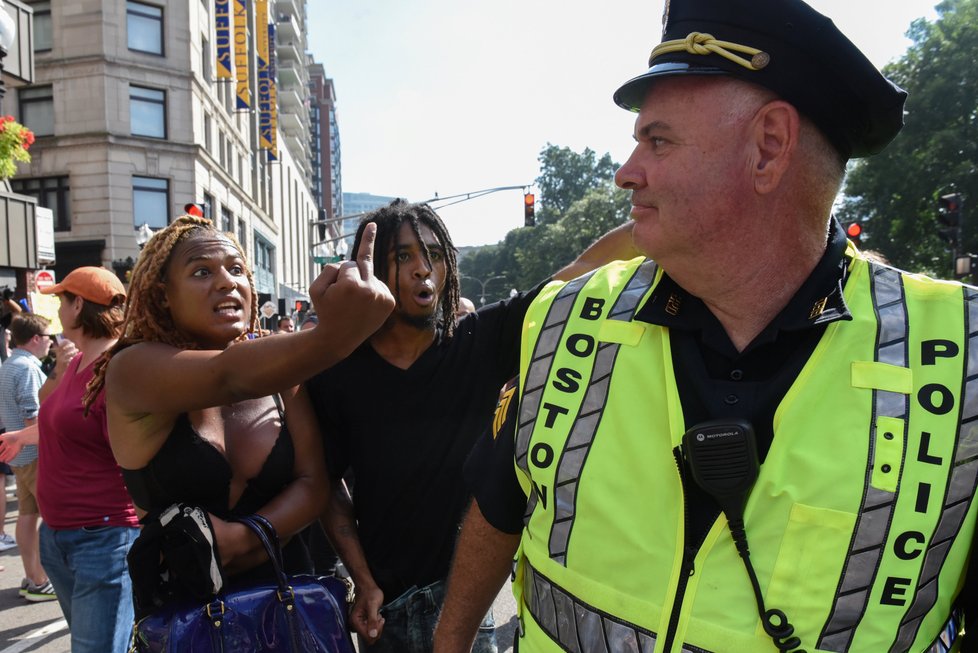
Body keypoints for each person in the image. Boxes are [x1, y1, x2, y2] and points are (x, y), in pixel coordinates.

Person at [433, 1, 976, 652]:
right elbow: (500, 506)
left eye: (657, 140)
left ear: (769, 147)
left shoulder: (961, 362)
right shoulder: (564, 317)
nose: (625, 171)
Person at [306, 199, 637, 653]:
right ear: (372, 268)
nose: (424, 269)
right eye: (403, 256)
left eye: (435, 255)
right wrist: (363, 581)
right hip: (387, 614)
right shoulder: (337, 372)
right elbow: (327, 487)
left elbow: (585, 268)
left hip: (467, 612)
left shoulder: (483, 338)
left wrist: (662, 218)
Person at [81, 214, 393, 629]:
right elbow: (227, 375)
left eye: (236, 269)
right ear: (163, 295)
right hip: (187, 624)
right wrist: (339, 333)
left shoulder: (281, 372)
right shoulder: (132, 369)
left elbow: (315, 482)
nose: (227, 281)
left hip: (291, 613)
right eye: (201, 271)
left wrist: (248, 539)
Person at [0, 267, 137, 652]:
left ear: (80, 305)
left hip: (102, 538)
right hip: (61, 536)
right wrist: (22, 435)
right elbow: (56, 417)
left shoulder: (116, 368)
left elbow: (137, 452)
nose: (58, 310)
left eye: (62, 300)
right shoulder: (76, 363)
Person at [0, 313, 56, 602]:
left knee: (26, 515)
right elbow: (32, 415)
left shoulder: (10, 364)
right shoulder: (28, 368)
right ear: (35, 339)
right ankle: (40, 578)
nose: (51, 343)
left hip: (19, 455)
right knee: (54, 516)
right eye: (48, 337)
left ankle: (33, 576)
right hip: (34, 453)